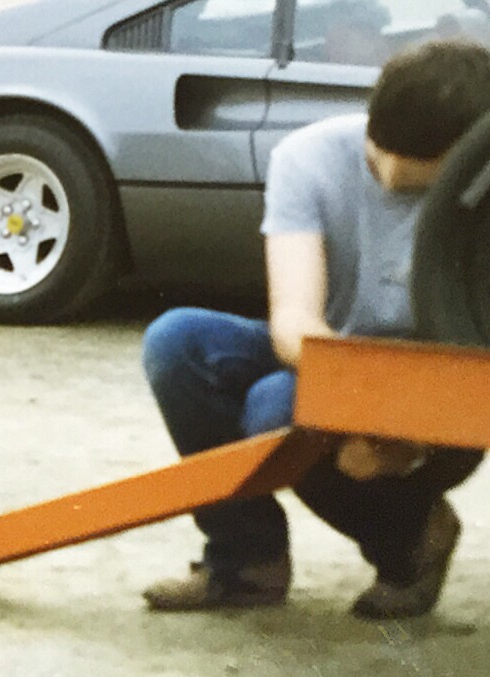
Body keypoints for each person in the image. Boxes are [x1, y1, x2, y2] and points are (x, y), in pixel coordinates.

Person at [141, 38, 490, 618]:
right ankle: (247, 562)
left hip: (442, 398)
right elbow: (294, 327)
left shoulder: (480, 194)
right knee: (179, 342)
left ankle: (413, 542)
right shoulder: (309, 157)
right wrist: (356, 410)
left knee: (277, 406)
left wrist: (403, 443)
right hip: (332, 360)